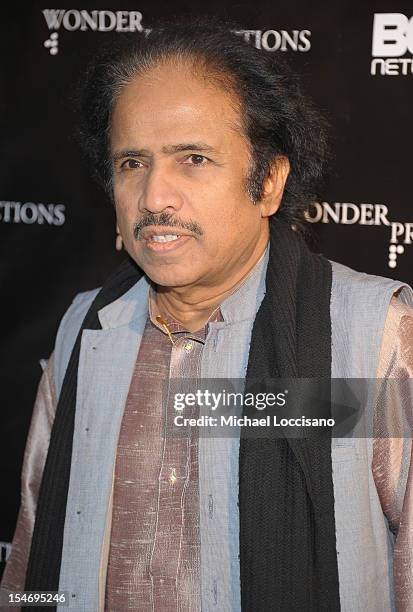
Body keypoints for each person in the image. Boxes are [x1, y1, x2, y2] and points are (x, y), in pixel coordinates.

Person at [1, 18, 412, 612]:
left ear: (268, 182)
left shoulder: (369, 339)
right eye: (132, 163)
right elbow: (35, 553)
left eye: (192, 158)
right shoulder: (87, 332)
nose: (154, 197)